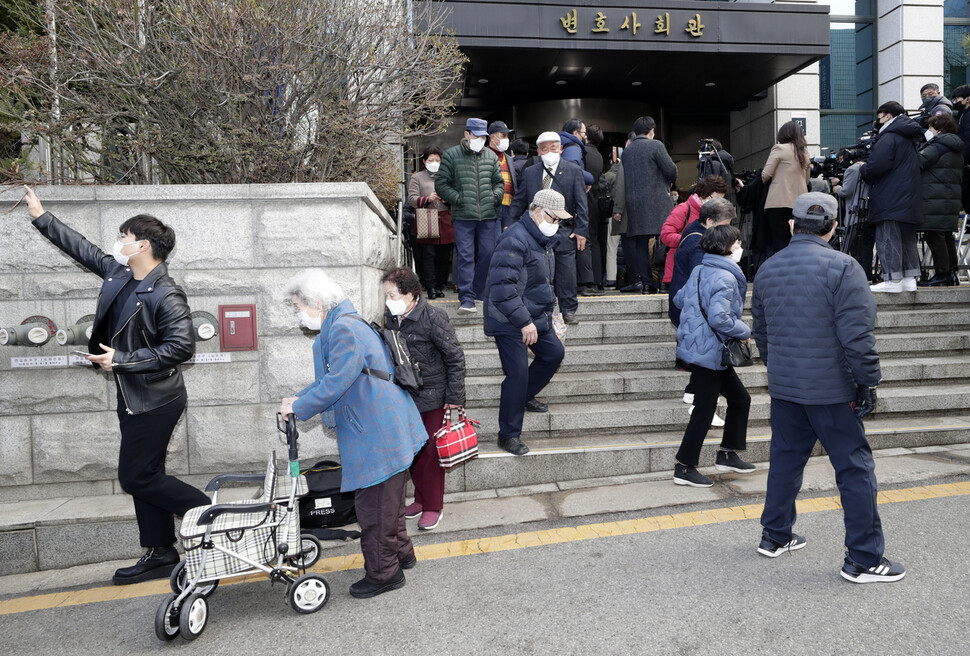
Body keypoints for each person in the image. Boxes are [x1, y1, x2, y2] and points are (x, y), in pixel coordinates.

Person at [22, 186, 209, 586]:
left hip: (157, 399)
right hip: (132, 395)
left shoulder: (165, 293)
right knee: (148, 472)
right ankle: (160, 552)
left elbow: (181, 348)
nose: (117, 243)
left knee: (136, 477)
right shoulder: (122, 273)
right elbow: (84, 249)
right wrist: (41, 216)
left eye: (123, 237)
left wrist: (121, 360)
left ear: (142, 245)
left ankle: (209, 513)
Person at [752, 192, 905, 583]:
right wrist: (868, 382)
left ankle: (775, 536)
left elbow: (762, 334)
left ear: (792, 225)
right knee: (854, 470)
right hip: (833, 390)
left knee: (785, 461)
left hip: (787, 388)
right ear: (834, 228)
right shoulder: (844, 267)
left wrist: (781, 369)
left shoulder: (768, 268)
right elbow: (857, 338)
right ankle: (864, 559)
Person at [279, 269, 426, 599]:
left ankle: (384, 573)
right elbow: (333, 380)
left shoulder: (343, 328)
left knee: (373, 506)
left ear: (316, 302)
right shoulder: (344, 322)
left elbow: (336, 382)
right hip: (384, 425)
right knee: (388, 502)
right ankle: (402, 554)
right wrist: (298, 399)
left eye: (299, 307)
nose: (299, 314)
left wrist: (300, 407)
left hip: (378, 431)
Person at [381, 267, 465, 531]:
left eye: (392, 295)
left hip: (433, 396)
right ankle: (419, 499)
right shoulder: (391, 317)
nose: (388, 301)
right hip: (406, 395)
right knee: (413, 453)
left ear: (410, 294)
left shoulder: (433, 317)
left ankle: (433, 506)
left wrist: (454, 397)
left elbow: (455, 358)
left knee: (430, 453)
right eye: (385, 295)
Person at [484, 189, 567, 456]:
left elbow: (540, 284)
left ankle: (525, 395)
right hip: (509, 318)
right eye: (554, 218)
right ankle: (508, 434)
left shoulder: (541, 239)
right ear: (538, 212)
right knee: (517, 373)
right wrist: (524, 322)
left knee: (554, 353)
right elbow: (502, 288)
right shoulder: (515, 239)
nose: (557, 225)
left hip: (532, 315)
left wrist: (552, 315)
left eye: (560, 221)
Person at [670, 224, 753, 487]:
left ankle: (727, 453)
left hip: (703, 348)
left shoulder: (700, 269)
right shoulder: (726, 277)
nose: (740, 247)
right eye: (737, 242)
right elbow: (720, 318)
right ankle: (684, 467)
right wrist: (743, 330)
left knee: (740, 399)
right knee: (704, 410)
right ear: (727, 247)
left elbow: (680, 300)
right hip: (710, 350)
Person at [508, 131, 589, 325]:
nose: (549, 151)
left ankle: (568, 309)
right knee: (537, 272)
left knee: (566, 271)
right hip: (535, 232)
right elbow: (519, 201)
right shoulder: (530, 172)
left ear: (561, 149)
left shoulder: (573, 170)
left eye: (554, 147)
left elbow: (582, 204)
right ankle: (540, 307)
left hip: (563, 230)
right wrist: (508, 226)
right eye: (545, 148)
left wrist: (581, 231)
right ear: (539, 151)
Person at [435, 118, 504, 314]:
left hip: (488, 215)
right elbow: (441, 184)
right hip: (463, 215)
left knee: (488, 254)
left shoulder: (491, 157)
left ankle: (480, 292)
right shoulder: (451, 155)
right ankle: (466, 298)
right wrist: (458, 198)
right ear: (466, 134)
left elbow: (499, 182)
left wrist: (495, 196)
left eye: (483, 136)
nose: (480, 139)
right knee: (465, 256)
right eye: (477, 135)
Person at [859, 101, 923, 293]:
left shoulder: (889, 137)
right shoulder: (908, 138)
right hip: (908, 196)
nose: (877, 121)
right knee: (907, 238)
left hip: (890, 196)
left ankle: (892, 280)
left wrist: (864, 169)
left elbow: (877, 166)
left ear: (888, 116)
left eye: (880, 116)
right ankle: (909, 279)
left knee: (888, 237)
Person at [619, 116, 678, 294]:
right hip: (657, 200)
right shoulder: (656, 146)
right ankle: (664, 279)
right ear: (652, 130)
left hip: (635, 203)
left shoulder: (627, 152)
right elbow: (670, 169)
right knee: (664, 238)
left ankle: (645, 282)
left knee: (640, 243)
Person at [917, 114, 964, 287]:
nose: (928, 131)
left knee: (934, 235)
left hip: (934, 198)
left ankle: (941, 274)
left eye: (930, 128)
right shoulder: (956, 147)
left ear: (939, 129)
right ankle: (952, 273)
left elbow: (919, 161)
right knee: (946, 236)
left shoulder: (938, 146)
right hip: (949, 198)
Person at [660, 175, 728, 290]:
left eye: (722, 199)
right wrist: (692, 240)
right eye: (716, 199)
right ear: (705, 194)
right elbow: (666, 235)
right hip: (681, 272)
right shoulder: (684, 209)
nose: (719, 203)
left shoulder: (715, 214)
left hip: (705, 270)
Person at [407, 146, 454, 298]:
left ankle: (440, 285)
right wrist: (427, 199)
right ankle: (430, 287)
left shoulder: (448, 176)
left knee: (444, 255)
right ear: (424, 161)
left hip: (445, 220)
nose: (434, 163)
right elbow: (412, 199)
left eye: (437, 160)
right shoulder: (417, 177)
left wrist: (445, 199)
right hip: (426, 219)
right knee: (428, 255)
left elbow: (456, 196)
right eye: (431, 160)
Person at [761, 121, 811, 256]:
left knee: (779, 242)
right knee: (796, 240)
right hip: (799, 204)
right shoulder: (804, 153)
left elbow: (766, 175)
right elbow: (806, 181)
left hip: (779, 201)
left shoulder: (779, 148)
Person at [830, 153, 875, 281]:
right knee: (866, 249)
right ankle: (866, 276)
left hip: (855, 216)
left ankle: (856, 277)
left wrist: (837, 189)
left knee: (855, 249)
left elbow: (847, 191)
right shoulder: (870, 167)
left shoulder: (853, 169)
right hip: (868, 213)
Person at [579, 124, 607, 296]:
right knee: (595, 241)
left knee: (586, 241)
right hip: (597, 201)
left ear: (586, 136)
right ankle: (597, 280)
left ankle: (587, 280)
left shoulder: (584, 153)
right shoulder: (599, 155)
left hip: (586, 200)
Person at [603, 133, 634, 288]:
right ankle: (633, 277)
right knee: (632, 246)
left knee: (611, 247)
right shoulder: (632, 171)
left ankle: (611, 279)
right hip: (631, 214)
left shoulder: (608, 175)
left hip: (614, 214)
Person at [487, 120, 518, 237]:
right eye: (503, 135)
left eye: (507, 136)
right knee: (493, 244)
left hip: (509, 208)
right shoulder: (484, 155)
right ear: (492, 137)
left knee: (508, 242)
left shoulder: (509, 158)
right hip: (492, 208)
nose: (506, 139)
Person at [951, 85, 970, 217]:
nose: (954, 102)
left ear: (968, 99)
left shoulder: (968, 116)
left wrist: (960, 159)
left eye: (957, 98)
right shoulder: (963, 114)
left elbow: (968, 141)